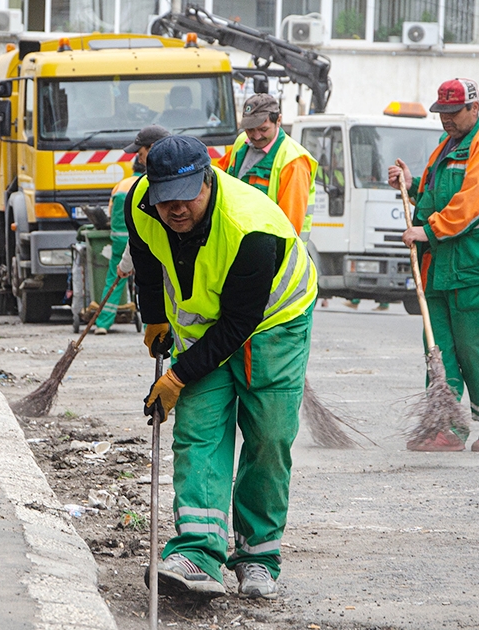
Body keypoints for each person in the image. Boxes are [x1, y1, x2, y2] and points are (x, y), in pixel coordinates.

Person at [127, 135, 317, 599]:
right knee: (199, 432)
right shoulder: (140, 203)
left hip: (272, 323)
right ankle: (197, 553)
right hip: (205, 327)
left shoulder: (251, 228)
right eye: (164, 198)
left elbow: (237, 326)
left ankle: (257, 558)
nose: (175, 209)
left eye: (186, 195)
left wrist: (176, 376)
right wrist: (153, 316)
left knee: (268, 437)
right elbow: (148, 262)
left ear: (208, 181)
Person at [388, 78, 479, 453]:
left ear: (474, 109)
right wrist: (411, 186)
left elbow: (473, 202)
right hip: (443, 265)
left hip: (478, 264)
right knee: (438, 348)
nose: (445, 119)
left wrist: (428, 231)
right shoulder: (448, 146)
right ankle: (446, 426)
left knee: (473, 346)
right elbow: (433, 194)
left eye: (453, 112)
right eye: (441, 112)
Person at [93, 125, 169, 335]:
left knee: (116, 280)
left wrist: (125, 264)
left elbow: (111, 213)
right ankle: (150, 326)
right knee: (150, 283)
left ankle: (102, 323)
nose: (141, 158)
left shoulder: (123, 186)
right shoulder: (148, 183)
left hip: (123, 240)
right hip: (142, 241)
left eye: (141, 153)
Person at [214, 93, 317, 239]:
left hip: (271, 252)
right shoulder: (241, 142)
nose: (256, 136)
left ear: (279, 121)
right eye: (250, 130)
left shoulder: (294, 162)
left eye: (263, 129)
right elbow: (220, 183)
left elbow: (287, 227)